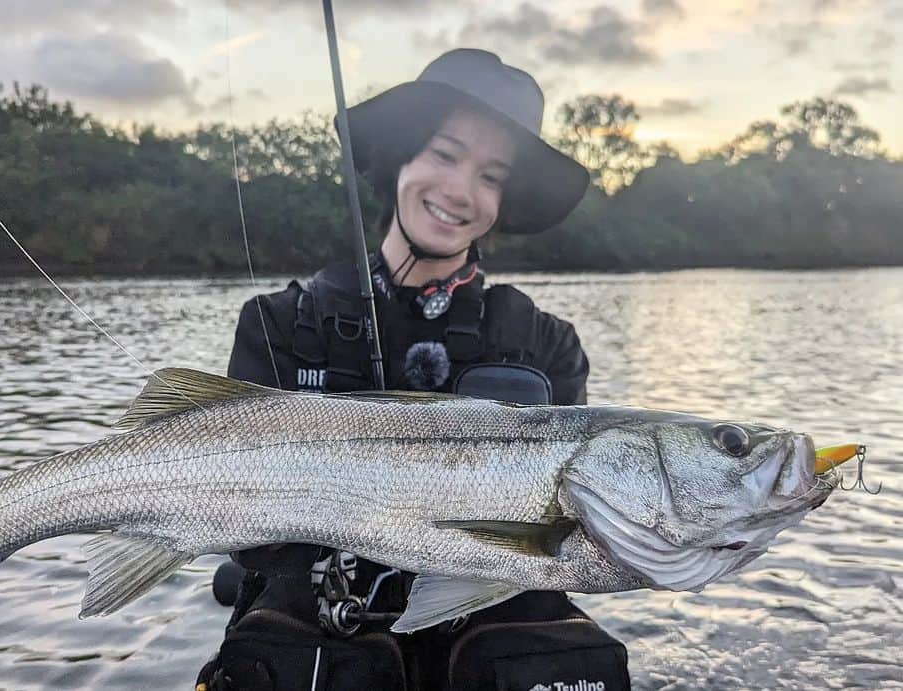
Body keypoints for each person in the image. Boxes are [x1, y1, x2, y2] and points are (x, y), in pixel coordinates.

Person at [197, 49, 630, 691]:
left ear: (504, 200)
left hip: (486, 636)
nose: (460, 191)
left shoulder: (548, 345)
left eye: (491, 176)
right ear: (401, 156)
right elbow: (241, 533)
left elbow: (571, 534)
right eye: (444, 154)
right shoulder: (280, 323)